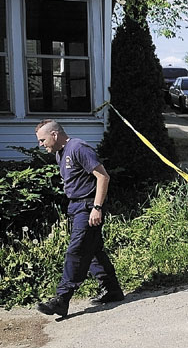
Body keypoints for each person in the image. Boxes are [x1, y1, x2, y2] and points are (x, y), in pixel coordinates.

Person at [34, 120, 124, 317]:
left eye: (43, 140)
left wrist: (97, 207)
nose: (41, 144)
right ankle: (112, 290)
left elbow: (103, 177)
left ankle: (62, 299)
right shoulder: (60, 153)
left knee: (77, 250)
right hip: (76, 206)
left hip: (89, 206)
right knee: (92, 249)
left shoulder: (78, 148)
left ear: (55, 135)